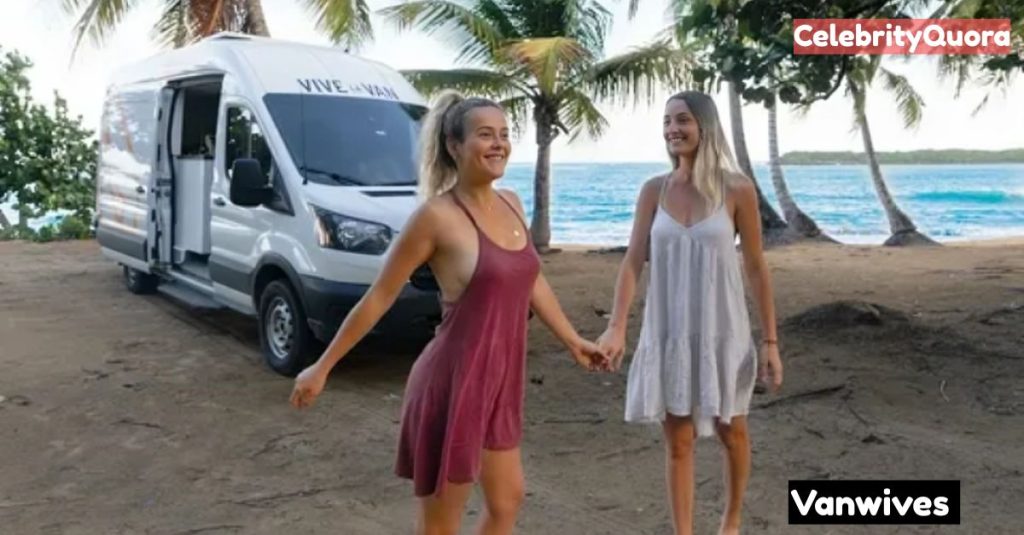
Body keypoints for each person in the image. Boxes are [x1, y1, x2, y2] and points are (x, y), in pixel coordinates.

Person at [289, 90, 608, 535]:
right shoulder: (435, 217)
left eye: (503, 134)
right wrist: (323, 367)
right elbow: (379, 297)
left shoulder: (511, 202)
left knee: (506, 502)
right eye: (484, 135)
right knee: (441, 524)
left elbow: (533, 280)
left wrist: (574, 341)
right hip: (453, 380)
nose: (498, 144)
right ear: (454, 146)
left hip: (500, 379)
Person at [596, 91, 784, 535]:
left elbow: (756, 266)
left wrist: (771, 341)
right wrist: (616, 326)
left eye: (682, 120)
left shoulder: (737, 189)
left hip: (724, 329)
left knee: (730, 430)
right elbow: (631, 261)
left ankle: (731, 521)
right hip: (669, 330)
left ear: (705, 126)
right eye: (666, 122)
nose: (672, 129)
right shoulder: (653, 191)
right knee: (678, 439)